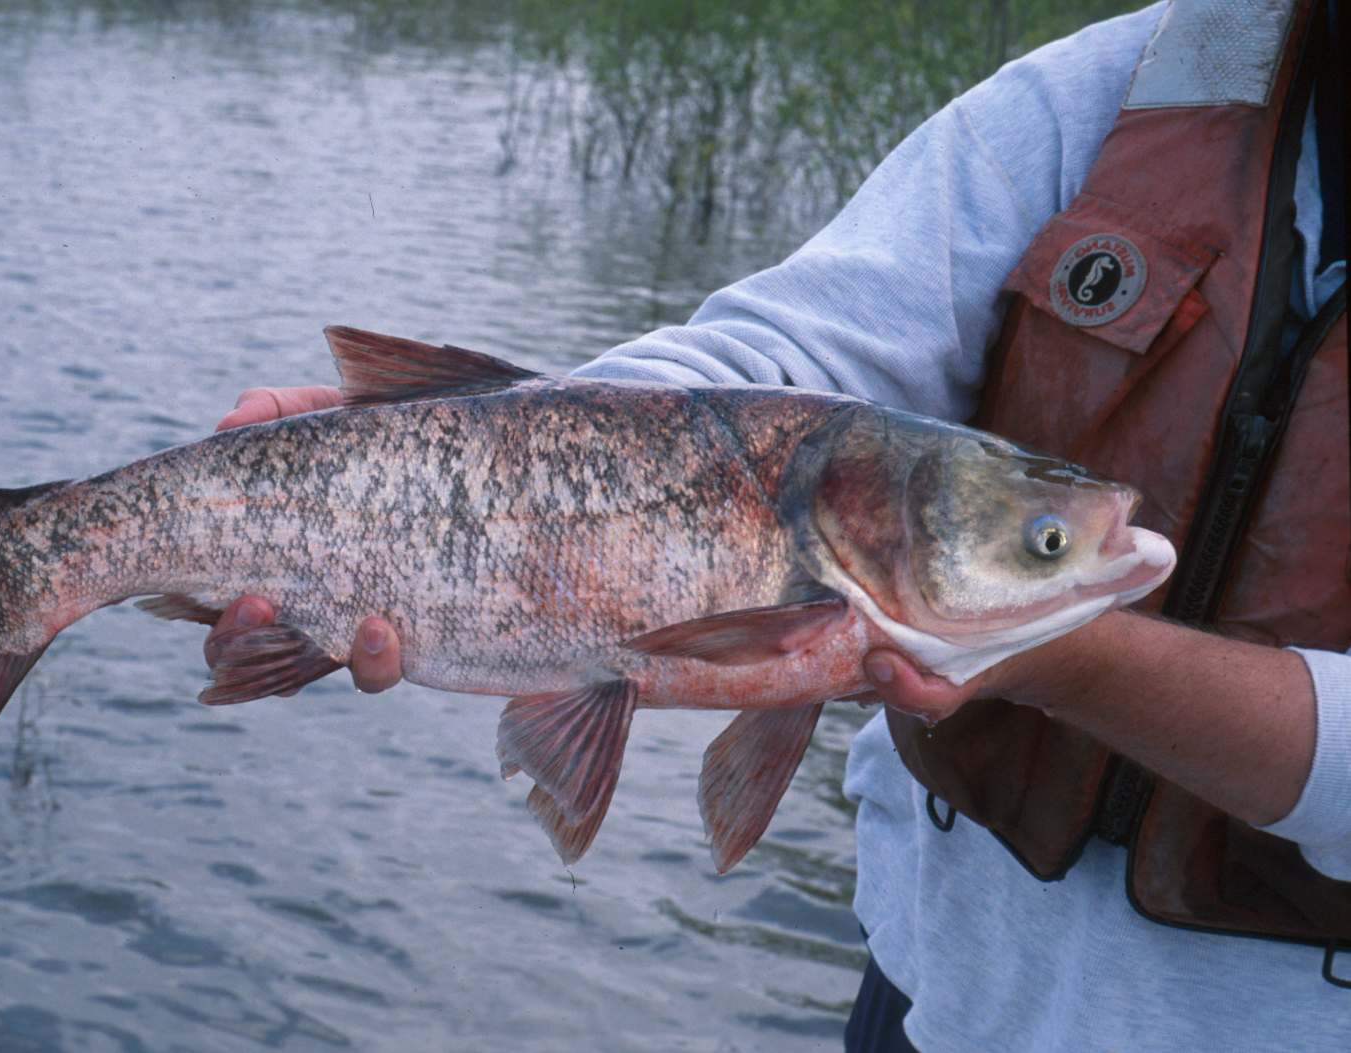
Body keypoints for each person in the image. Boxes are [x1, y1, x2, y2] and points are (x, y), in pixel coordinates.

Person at [208, 1, 1349, 1049]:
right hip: (936, 993)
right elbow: (795, 350)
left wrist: (1067, 659)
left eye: (1041, 548)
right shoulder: (1139, 74)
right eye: (1045, 546)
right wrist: (508, 444)